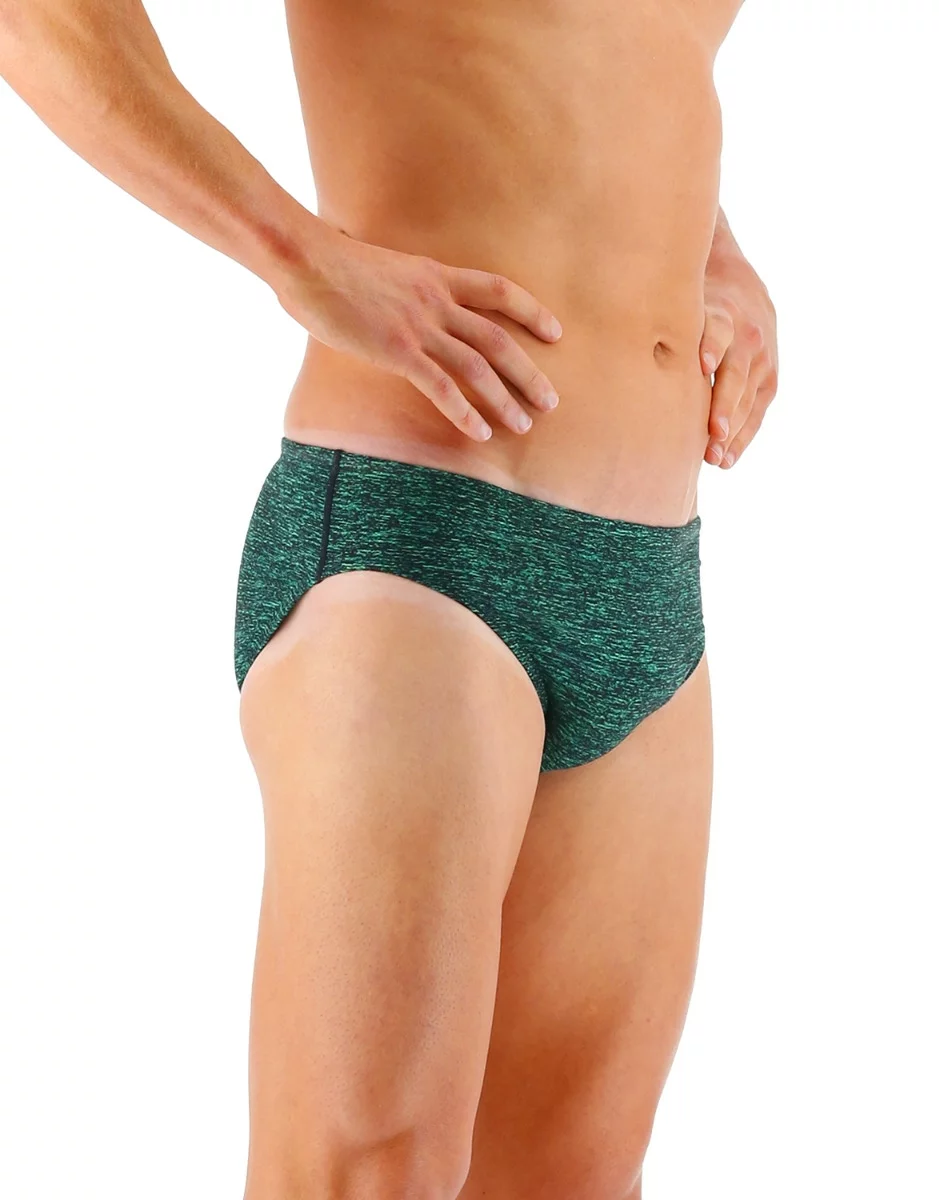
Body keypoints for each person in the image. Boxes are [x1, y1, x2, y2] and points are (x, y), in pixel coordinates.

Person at [0, 2, 779, 1197]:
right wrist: (297, 254)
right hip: (419, 542)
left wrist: (715, 258)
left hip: (653, 576)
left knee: (574, 1175)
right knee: (366, 1173)